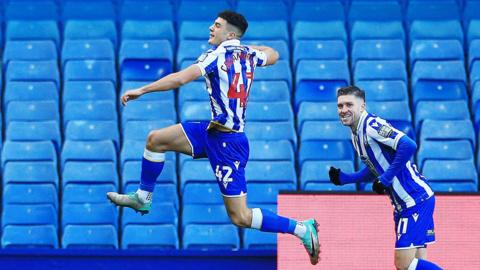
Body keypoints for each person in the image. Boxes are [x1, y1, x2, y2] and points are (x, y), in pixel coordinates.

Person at [107, 10, 320, 264]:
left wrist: (142, 89)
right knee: (156, 139)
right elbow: (274, 54)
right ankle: (143, 198)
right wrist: (244, 47)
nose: (211, 28)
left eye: (217, 25)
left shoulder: (215, 56)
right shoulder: (249, 55)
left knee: (240, 217)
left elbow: (181, 78)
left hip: (229, 144)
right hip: (211, 131)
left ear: (229, 33)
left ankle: (301, 228)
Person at [329, 86, 442, 270]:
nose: (343, 110)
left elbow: (408, 145)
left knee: (403, 264)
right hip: (404, 204)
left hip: (414, 199)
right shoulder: (355, 134)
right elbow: (375, 168)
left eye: (349, 104)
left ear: (362, 106)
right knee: (416, 265)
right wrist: (346, 179)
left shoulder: (372, 126)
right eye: (340, 105)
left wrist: (387, 178)